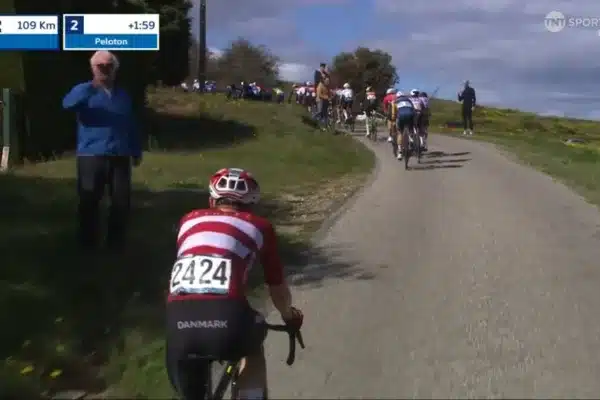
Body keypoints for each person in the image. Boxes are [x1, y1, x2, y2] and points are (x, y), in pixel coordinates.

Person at [165, 167, 304, 400]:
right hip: (227, 320)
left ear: (212, 201)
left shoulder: (187, 221)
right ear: (252, 205)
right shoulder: (260, 226)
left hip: (178, 324)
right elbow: (277, 288)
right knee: (252, 346)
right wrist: (289, 317)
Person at [62, 50, 141, 250]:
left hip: (120, 154)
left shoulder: (122, 95)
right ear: (93, 68)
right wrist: (91, 87)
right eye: (100, 66)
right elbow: (68, 104)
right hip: (91, 154)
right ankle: (88, 244)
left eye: (109, 66)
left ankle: (116, 244)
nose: (105, 70)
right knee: (89, 200)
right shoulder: (84, 90)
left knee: (121, 201)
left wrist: (135, 150)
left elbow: (130, 123)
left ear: (115, 69)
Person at [395, 91, 415, 160]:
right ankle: (411, 138)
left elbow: (393, 112)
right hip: (410, 115)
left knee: (399, 132)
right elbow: (413, 109)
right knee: (411, 127)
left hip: (401, 116)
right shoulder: (409, 100)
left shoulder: (396, 101)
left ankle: (400, 152)